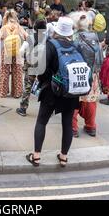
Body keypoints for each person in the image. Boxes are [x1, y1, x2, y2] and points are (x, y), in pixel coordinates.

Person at [26, 17, 81, 167]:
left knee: (42, 122)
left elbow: (40, 69)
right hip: (70, 92)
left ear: (57, 30)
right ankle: (63, 157)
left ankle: (36, 156)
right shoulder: (76, 46)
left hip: (51, 90)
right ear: (70, 32)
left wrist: (42, 81)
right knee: (67, 124)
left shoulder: (50, 46)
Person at [71, 13, 101, 138]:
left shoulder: (74, 38)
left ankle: (73, 128)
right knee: (91, 102)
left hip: (78, 75)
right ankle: (91, 126)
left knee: (73, 102)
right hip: (93, 75)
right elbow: (100, 59)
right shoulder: (95, 37)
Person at [16, 19, 47, 117]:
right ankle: (47, 110)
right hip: (43, 65)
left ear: (34, 27)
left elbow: (21, 52)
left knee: (28, 86)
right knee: (45, 86)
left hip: (30, 64)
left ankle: (23, 108)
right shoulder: (47, 39)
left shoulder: (29, 38)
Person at [0, 10, 28, 98]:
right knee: (17, 72)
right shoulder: (18, 26)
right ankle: (17, 93)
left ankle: (2, 92)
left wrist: (3, 37)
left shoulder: (4, 27)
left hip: (6, 51)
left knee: (4, 72)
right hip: (17, 52)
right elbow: (26, 36)